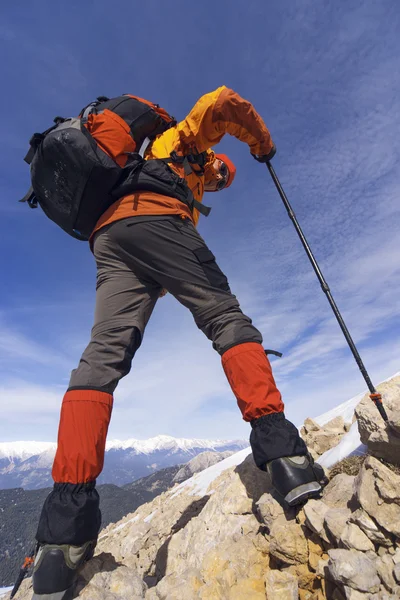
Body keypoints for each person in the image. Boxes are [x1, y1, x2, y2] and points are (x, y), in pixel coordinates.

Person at [31, 86, 325, 599]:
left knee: (100, 360)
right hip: (153, 220)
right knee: (225, 317)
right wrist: (263, 145)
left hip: (108, 238)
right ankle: (284, 455)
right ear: (210, 158)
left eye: (220, 179)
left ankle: (62, 536)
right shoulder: (174, 140)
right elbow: (222, 102)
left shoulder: (144, 167)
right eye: (218, 172)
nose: (217, 178)